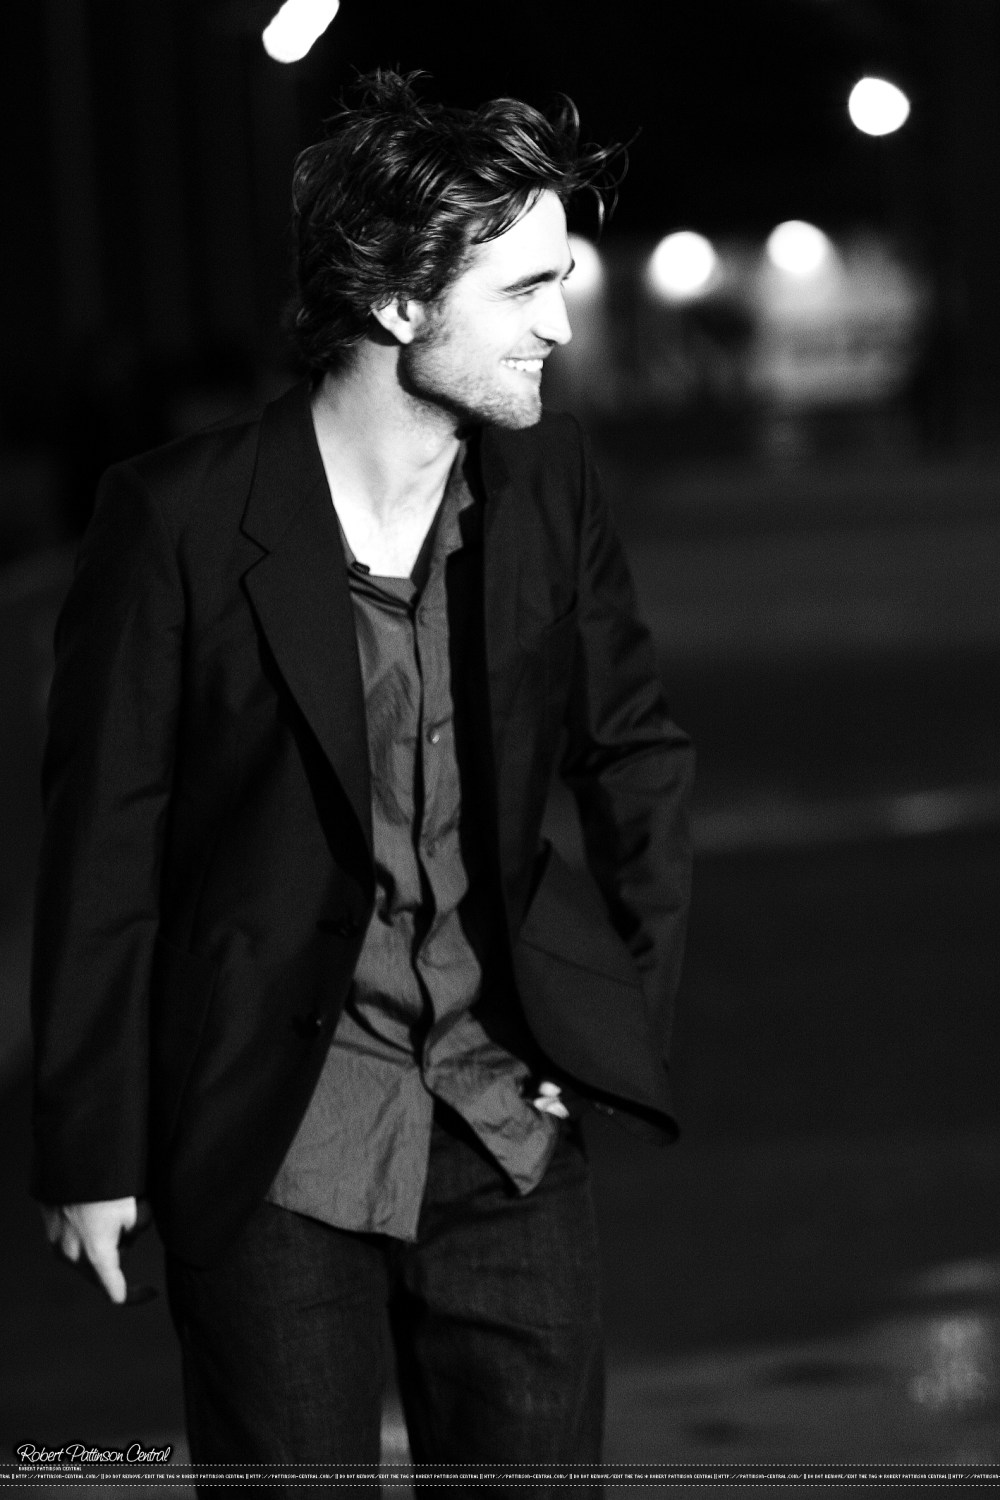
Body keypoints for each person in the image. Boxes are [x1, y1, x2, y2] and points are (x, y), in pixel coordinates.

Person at [31, 70, 694, 1491]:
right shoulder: (178, 520)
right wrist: (89, 1147)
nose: (561, 325)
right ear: (398, 302)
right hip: (278, 1138)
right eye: (525, 289)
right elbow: (105, 844)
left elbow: (634, 748)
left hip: (505, 1125)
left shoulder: (546, 485)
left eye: (562, 281)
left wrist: (618, 1015)